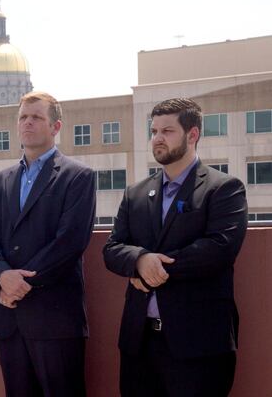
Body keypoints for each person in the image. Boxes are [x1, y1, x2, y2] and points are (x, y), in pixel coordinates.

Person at [103, 98, 247, 396]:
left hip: (199, 346)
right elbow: (112, 248)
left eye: (167, 131)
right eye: (153, 131)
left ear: (192, 134)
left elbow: (219, 248)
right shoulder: (136, 194)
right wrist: (140, 259)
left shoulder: (224, 188)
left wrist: (150, 269)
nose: (157, 138)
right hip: (139, 344)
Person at [0, 91, 96, 397]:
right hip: (9, 317)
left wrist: (21, 283)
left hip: (55, 317)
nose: (28, 123)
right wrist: (2, 277)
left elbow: (70, 242)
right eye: (23, 118)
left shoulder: (77, 177)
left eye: (37, 117)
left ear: (56, 127)